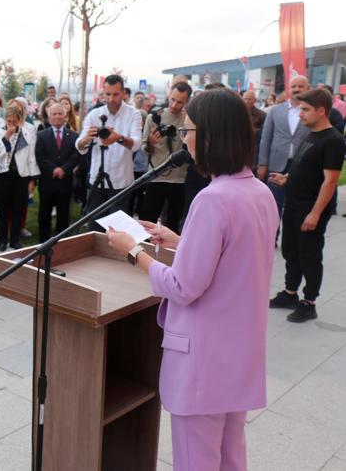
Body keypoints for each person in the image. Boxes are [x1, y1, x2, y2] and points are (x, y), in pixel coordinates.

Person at [107, 88, 278, 471]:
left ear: (211, 135)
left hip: (203, 359)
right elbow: (237, 259)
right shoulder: (260, 193)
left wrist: (132, 252)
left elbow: (182, 287)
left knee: (195, 461)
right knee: (230, 457)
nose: (184, 139)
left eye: (188, 130)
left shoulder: (212, 199)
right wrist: (182, 241)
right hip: (238, 354)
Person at [268, 88, 346, 323]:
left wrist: (315, 213)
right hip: (293, 204)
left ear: (321, 111)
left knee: (309, 255)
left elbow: (330, 181)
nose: (300, 113)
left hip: (310, 208)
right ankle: (290, 293)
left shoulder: (333, 140)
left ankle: (309, 302)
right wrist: (287, 179)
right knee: (291, 251)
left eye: (305, 109)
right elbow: (304, 166)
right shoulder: (311, 134)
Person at [75, 74, 142, 229]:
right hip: (96, 180)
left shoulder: (134, 114)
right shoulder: (94, 114)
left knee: (117, 230)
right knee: (94, 228)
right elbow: (79, 145)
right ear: (103, 93)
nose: (111, 99)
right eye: (108, 94)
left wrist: (119, 138)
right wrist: (86, 139)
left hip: (121, 181)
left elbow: (136, 144)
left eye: (116, 94)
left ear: (124, 93)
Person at [258, 76, 312, 238]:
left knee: (296, 204)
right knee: (274, 204)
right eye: (293, 86)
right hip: (276, 164)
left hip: (301, 165)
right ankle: (271, 238)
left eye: (301, 86)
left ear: (308, 88)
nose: (297, 89)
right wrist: (262, 163)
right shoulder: (275, 110)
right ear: (289, 88)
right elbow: (266, 137)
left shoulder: (312, 111)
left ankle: (293, 237)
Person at [141, 82, 192, 233]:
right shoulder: (154, 117)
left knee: (173, 223)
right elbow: (144, 149)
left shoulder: (189, 120)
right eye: (172, 99)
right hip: (155, 175)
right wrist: (151, 143)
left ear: (187, 101)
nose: (174, 105)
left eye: (180, 102)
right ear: (168, 95)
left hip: (179, 179)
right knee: (147, 222)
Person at [0, 104, 40, 251]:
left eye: (14, 121)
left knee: (18, 208)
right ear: (5, 119)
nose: (11, 124)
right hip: (2, 175)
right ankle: (2, 240)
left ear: (19, 120)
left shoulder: (27, 134)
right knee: (2, 209)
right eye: (9, 121)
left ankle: (15, 240)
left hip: (21, 176)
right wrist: (7, 136)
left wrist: (33, 180)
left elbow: (31, 157)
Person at [34, 103, 78, 242]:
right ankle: (43, 242)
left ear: (65, 116)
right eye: (54, 114)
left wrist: (63, 169)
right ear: (49, 117)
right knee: (44, 213)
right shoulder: (41, 135)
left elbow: (75, 156)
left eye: (60, 114)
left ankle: (62, 241)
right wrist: (54, 169)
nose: (57, 116)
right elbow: (40, 156)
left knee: (63, 214)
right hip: (47, 181)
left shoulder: (74, 136)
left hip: (65, 182)